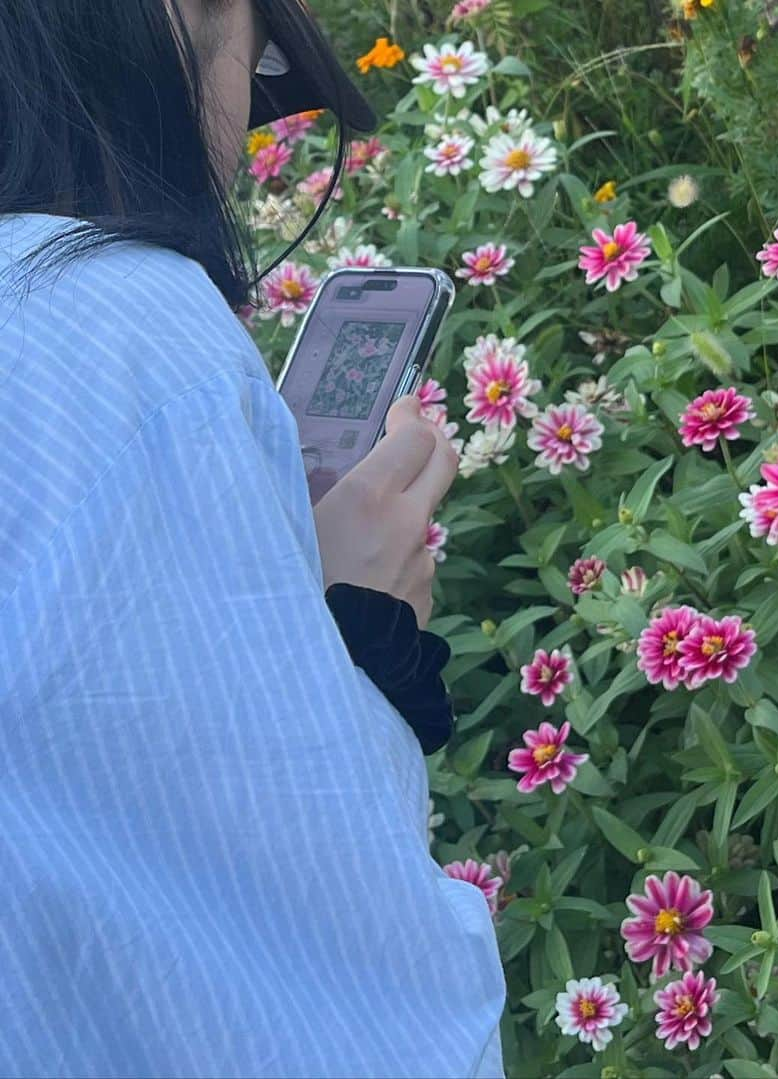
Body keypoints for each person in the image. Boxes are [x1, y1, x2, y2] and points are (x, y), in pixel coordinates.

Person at [0, 2, 506, 1076]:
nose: (251, 97)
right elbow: (336, 1004)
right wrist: (356, 645)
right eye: (252, 35)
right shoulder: (115, 317)